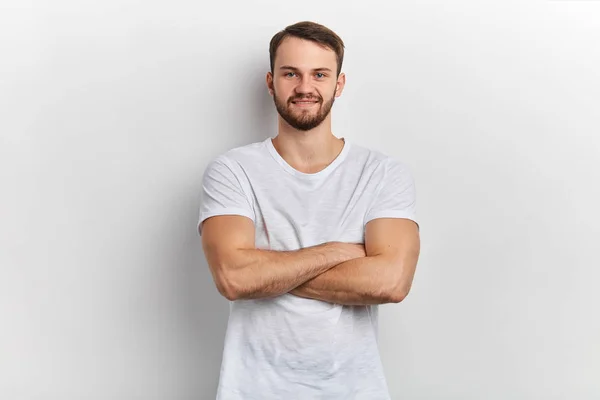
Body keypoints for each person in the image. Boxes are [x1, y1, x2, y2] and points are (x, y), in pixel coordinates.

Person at [198, 20, 421, 400]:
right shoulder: (233, 170)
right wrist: (339, 252)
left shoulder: (382, 173)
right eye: (290, 74)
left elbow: (391, 283)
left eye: (319, 74)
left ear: (339, 83)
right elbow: (234, 279)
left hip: (354, 390)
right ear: (271, 82)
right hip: (252, 390)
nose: (305, 87)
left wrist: (266, 272)